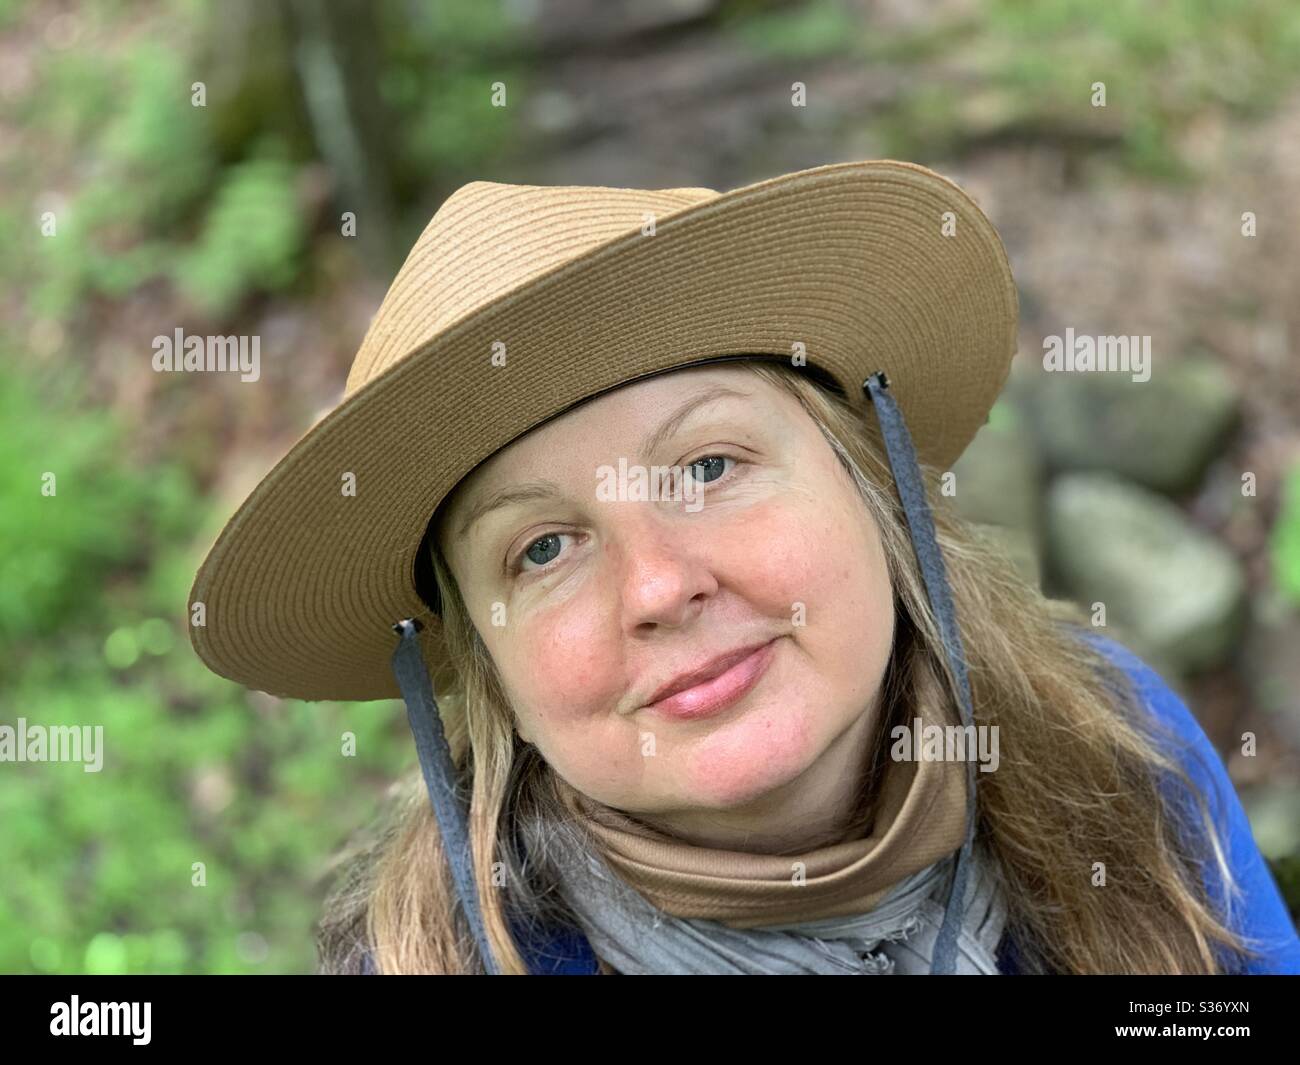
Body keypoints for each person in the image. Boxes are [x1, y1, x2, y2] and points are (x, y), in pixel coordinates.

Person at [188, 160, 1300, 975]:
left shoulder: (1122, 752)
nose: (661, 587)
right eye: (543, 548)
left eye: (709, 466)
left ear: (873, 489)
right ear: (489, 671)